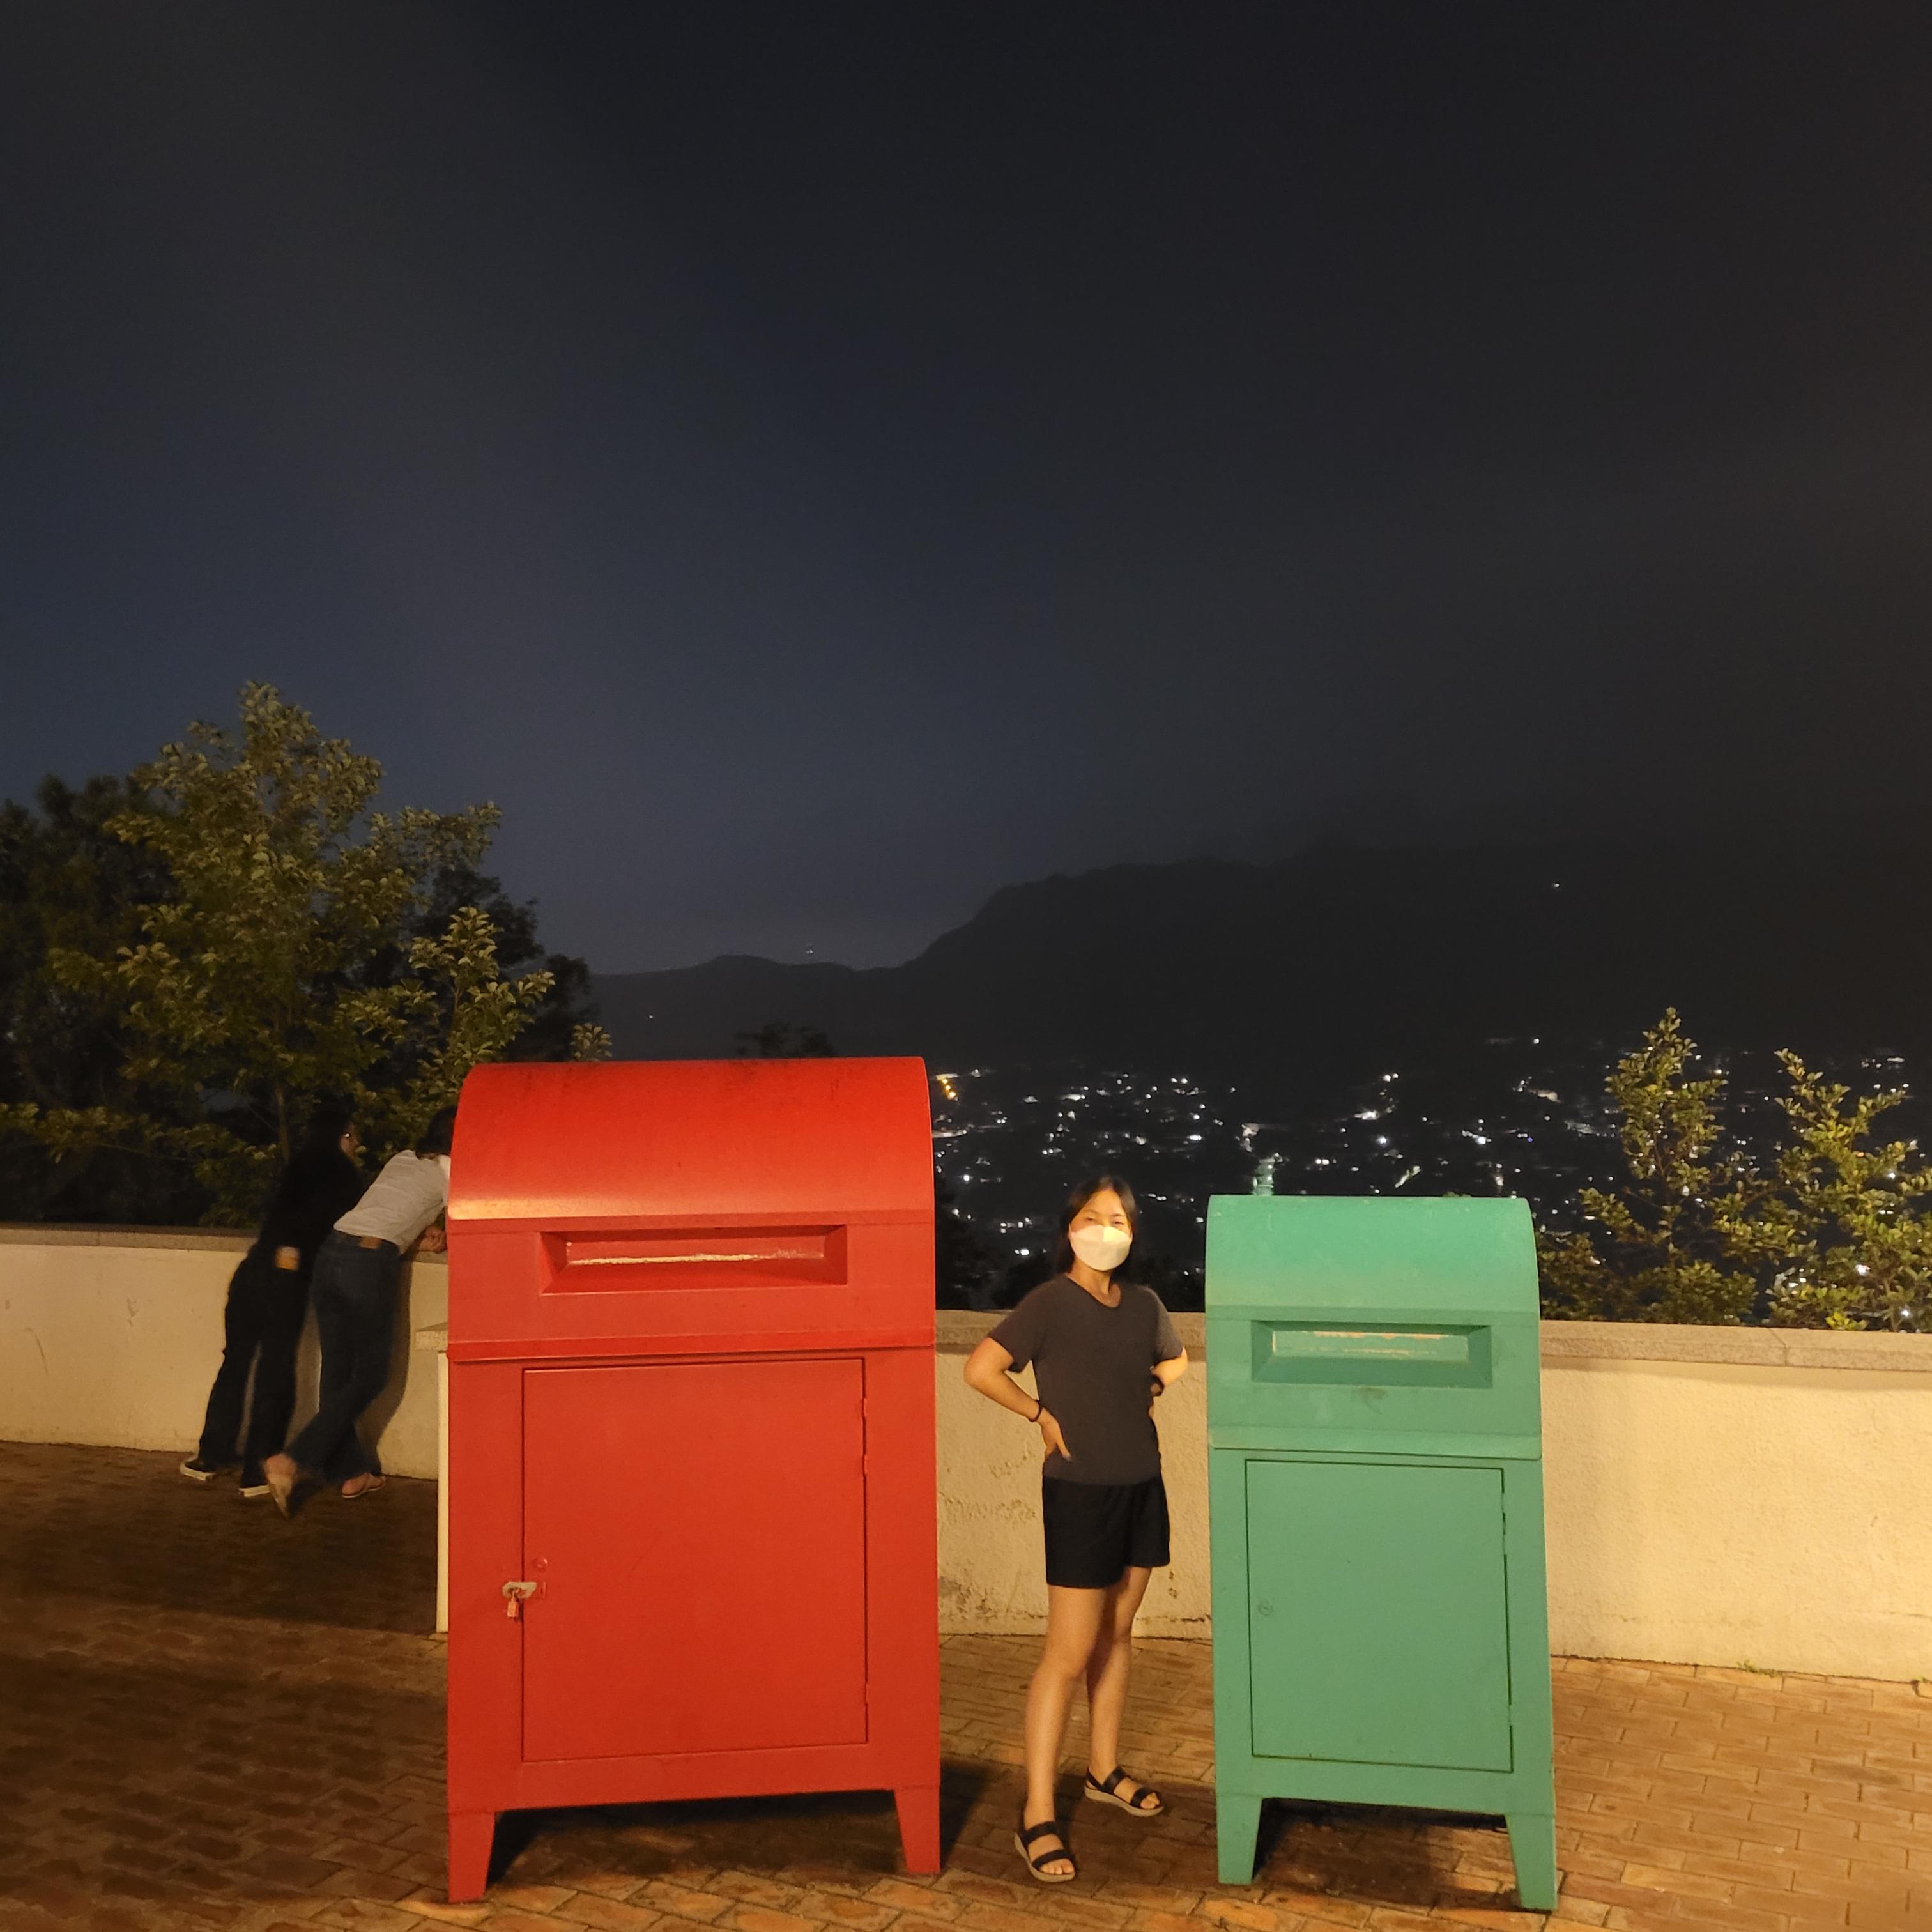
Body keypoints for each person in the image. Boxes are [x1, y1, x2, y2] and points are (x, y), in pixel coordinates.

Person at [963, 1175, 1190, 1884]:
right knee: (1066, 1653)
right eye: (1093, 1217)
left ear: (1132, 1232)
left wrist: (1152, 1385)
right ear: (1070, 1229)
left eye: (1118, 1219)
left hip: (1141, 1486)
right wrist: (1040, 1415)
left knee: (1119, 1633)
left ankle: (1103, 1771)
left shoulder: (1144, 1304)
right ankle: (1036, 1814)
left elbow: (1175, 1358)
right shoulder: (1050, 1302)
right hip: (1080, 1495)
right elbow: (981, 1369)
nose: (1106, 1229)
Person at [263, 1107, 456, 1516]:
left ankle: (351, 1472)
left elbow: (389, 1208)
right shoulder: (455, 1174)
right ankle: (292, 1459)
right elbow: (471, 1225)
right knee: (370, 1375)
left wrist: (417, 1235)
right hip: (368, 1264)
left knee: (337, 1371)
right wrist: (440, 1236)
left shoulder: (404, 1158)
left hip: (334, 1250)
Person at [180, 1105, 365, 1498]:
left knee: (236, 1361)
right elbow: (354, 1229)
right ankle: (258, 1466)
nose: (357, 1144)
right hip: (288, 1276)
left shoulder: (297, 1167)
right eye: (352, 1136)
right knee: (275, 1368)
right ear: (340, 1137)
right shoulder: (344, 1178)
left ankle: (212, 1453)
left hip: (254, 1268)